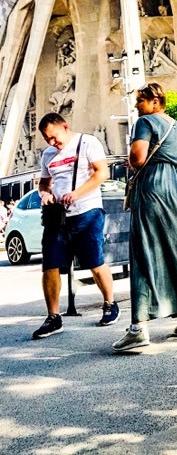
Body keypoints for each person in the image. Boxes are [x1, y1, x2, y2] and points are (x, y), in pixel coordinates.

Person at [112, 83, 177, 352]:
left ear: (155, 101)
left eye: (140, 102)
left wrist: (133, 160)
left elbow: (137, 158)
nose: (136, 107)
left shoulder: (145, 122)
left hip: (156, 188)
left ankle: (138, 328)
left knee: (145, 251)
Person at [33, 113, 119, 339]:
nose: (52, 143)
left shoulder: (87, 142)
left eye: (54, 137)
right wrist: (45, 194)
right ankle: (53, 317)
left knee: (94, 261)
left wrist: (77, 193)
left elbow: (102, 172)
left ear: (65, 126)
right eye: (47, 139)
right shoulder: (48, 154)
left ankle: (110, 303)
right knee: (50, 264)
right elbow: (44, 183)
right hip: (58, 217)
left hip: (87, 211)